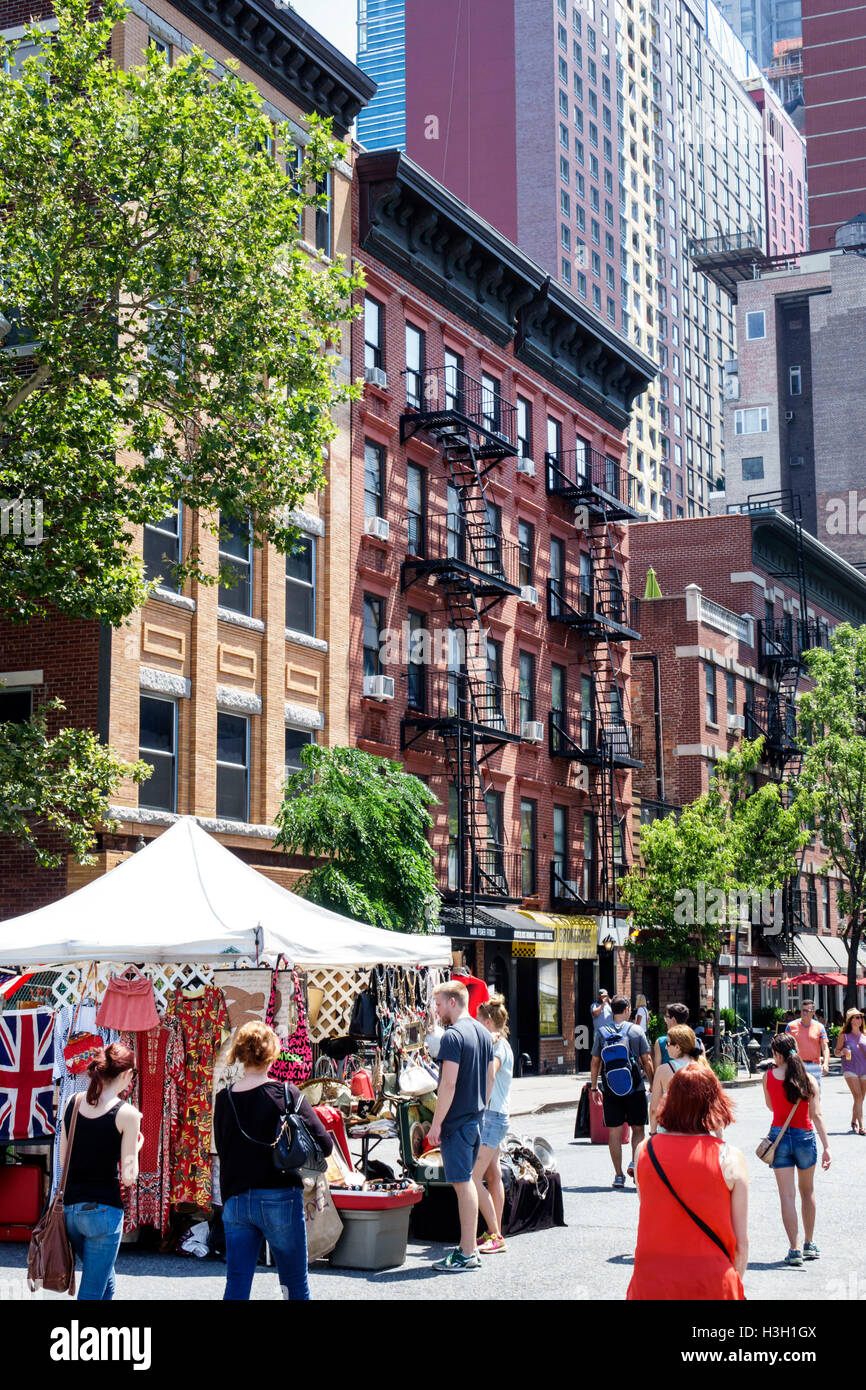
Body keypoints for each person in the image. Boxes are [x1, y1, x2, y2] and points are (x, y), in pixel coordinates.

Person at [212, 1020, 333, 1300]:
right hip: (279, 1195)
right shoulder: (287, 1094)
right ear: (272, 1053)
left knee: (237, 1284)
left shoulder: (224, 1098)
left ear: (239, 1054)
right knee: (293, 1284)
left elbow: (222, 1147)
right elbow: (324, 1145)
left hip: (236, 1198)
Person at [628, 1067, 748, 1300]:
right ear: (714, 1103)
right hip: (711, 1278)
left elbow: (649, 1207)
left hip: (652, 1278)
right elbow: (741, 1244)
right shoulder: (730, 1158)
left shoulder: (644, 1150)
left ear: (670, 1101)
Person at [59, 1042, 142, 1301]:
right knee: (93, 1292)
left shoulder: (73, 1103)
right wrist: (136, 1146)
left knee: (106, 1284)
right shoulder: (127, 1114)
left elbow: (64, 1161)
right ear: (127, 1075)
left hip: (71, 1210)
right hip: (103, 1212)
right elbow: (129, 1177)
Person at [428, 980, 495, 1273]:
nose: (437, 1010)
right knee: (468, 1181)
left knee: (463, 1182)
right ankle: (467, 1247)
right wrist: (481, 1105)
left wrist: (436, 1124)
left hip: (457, 1121)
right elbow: (490, 1078)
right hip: (476, 1117)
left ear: (453, 1002)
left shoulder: (453, 1036)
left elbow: (448, 1083)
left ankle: (468, 1252)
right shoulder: (483, 1032)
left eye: (439, 1004)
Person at [763, 1033, 831, 1266]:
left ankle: (794, 1249)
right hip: (804, 1136)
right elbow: (817, 1115)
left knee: (787, 1195)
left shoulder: (768, 1077)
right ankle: (809, 1243)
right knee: (807, 1191)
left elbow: (771, 1106)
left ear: (778, 1054)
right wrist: (826, 1147)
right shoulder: (808, 1080)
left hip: (779, 1137)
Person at [590, 995, 654, 1188]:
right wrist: (653, 1083)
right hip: (635, 1087)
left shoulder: (601, 1032)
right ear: (626, 1010)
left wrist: (594, 1087)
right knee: (638, 1129)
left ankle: (618, 1176)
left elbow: (595, 1062)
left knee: (615, 1132)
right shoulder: (635, 1031)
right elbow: (646, 1060)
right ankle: (636, 1167)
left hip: (611, 1087)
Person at [471, 994, 514, 1255]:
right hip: (497, 1115)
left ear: (487, 1022)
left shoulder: (498, 1047)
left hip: (492, 1116)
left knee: (472, 1177)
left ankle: (496, 1234)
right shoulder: (501, 1044)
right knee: (492, 1175)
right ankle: (494, 1231)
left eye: (478, 1021)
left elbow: (490, 1073)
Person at [649, 1024, 708, 1132]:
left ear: (677, 1047)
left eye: (668, 1043)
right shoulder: (703, 1068)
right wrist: (719, 1138)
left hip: (669, 1132)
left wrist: (652, 1133)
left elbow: (654, 1109)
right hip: (696, 1131)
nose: (666, 1047)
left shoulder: (663, 1070)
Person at [785, 999, 830, 1092]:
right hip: (797, 1065)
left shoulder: (819, 1027)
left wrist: (825, 1063)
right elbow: (786, 1046)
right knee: (798, 1095)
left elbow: (825, 1047)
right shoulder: (790, 1026)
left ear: (813, 1012)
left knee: (815, 1095)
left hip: (815, 1065)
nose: (804, 1013)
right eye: (802, 1010)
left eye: (807, 1011)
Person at [835, 1007, 866, 1133]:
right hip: (850, 1068)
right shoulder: (844, 1036)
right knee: (858, 1096)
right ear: (851, 1020)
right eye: (857, 1017)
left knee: (860, 1098)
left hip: (864, 1068)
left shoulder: (864, 1034)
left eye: (861, 1017)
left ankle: (853, 1121)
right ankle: (861, 1125)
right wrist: (842, 1051)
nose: (860, 1019)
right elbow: (836, 1052)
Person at [653, 1002, 691, 1068]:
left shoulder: (660, 1042)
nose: (665, 1020)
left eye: (666, 1016)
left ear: (673, 1019)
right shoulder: (698, 1042)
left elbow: (657, 1070)